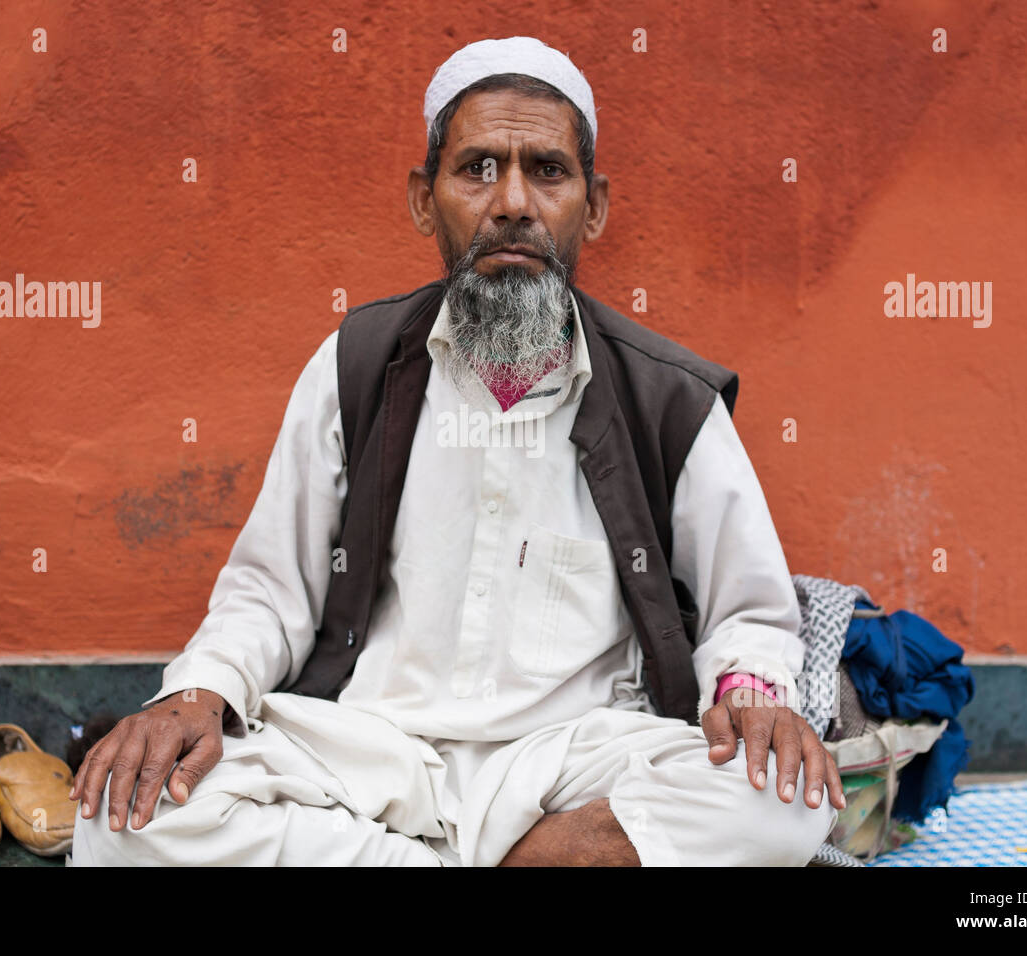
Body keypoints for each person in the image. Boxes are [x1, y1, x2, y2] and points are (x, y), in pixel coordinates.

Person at [70, 35, 844, 867]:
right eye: (477, 167)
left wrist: (752, 694)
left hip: (575, 763)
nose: (511, 201)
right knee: (120, 825)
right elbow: (268, 590)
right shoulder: (357, 364)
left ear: (595, 205)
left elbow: (750, 614)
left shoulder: (667, 398)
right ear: (422, 198)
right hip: (369, 749)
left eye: (547, 170)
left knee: (786, 806)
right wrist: (197, 693)